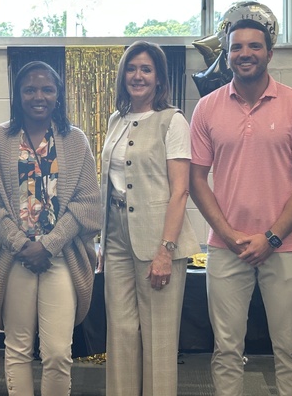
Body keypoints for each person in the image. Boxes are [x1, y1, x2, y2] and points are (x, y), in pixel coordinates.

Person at [188, 19, 292, 396]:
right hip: (225, 248)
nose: (245, 53)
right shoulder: (207, 108)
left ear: (269, 53)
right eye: (236, 47)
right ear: (227, 54)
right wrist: (229, 235)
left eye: (254, 46)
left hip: (284, 247)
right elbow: (196, 179)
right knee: (226, 350)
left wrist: (272, 237)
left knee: (289, 349)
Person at [0, 61, 100, 396]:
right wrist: (21, 244)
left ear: (58, 95)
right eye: (29, 89)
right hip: (14, 258)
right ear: (18, 95)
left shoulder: (75, 140)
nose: (38, 96)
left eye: (47, 89)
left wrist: (49, 245)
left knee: (57, 352)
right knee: (18, 348)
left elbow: (87, 203)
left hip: (61, 258)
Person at [99, 41, 200, 395]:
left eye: (146, 69)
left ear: (159, 78)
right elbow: (110, 183)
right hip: (116, 237)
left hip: (159, 238)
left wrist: (165, 250)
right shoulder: (116, 120)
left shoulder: (173, 120)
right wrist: (102, 241)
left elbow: (180, 191)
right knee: (120, 333)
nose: (138, 76)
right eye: (131, 68)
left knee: (159, 339)